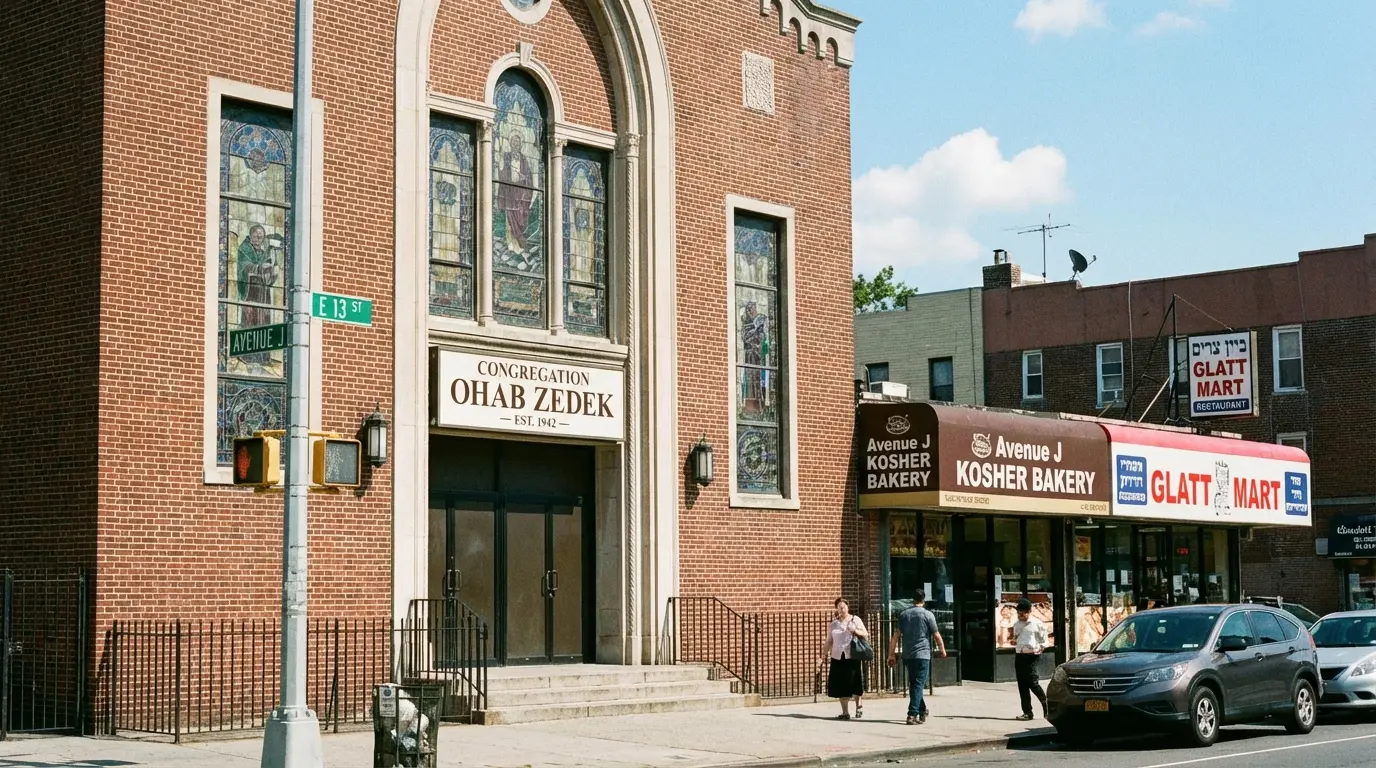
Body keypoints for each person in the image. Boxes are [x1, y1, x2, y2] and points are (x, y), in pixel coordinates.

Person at [888, 589, 946, 725]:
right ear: (923, 600)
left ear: (912, 600)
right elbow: (936, 634)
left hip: (908, 654)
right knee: (918, 684)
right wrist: (942, 649)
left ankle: (922, 710)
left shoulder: (904, 615)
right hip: (923, 654)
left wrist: (891, 654)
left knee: (915, 684)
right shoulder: (928, 615)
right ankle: (912, 713)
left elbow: (895, 636)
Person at [820, 598, 869, 720]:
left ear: (848, 607)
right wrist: (823, 654)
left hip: (852, 655)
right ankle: (845, 712)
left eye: (843, 607)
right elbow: (829, 641)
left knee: (855, 681)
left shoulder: (855, 619)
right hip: (837, 656)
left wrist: (855, 630)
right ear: (836, 609)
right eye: (839, 607)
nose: (842, 609)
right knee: (841, 684)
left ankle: (859, 706)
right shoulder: (833, 624)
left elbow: (865, 634)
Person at [1010, 598, 1049, 721]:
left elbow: (1044, 640)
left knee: (1033, 683)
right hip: (1020, 655)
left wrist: (1040, 649)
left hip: (1032, 656)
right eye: (1019, 613)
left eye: (1023, 613)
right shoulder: (1016, 624)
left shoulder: (1037, 624)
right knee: (1022, 684)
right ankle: (1027, 712)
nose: (1021, 616)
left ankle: (1046, 705)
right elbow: (1015, 637)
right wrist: (1013, 640)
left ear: (1029, 611)